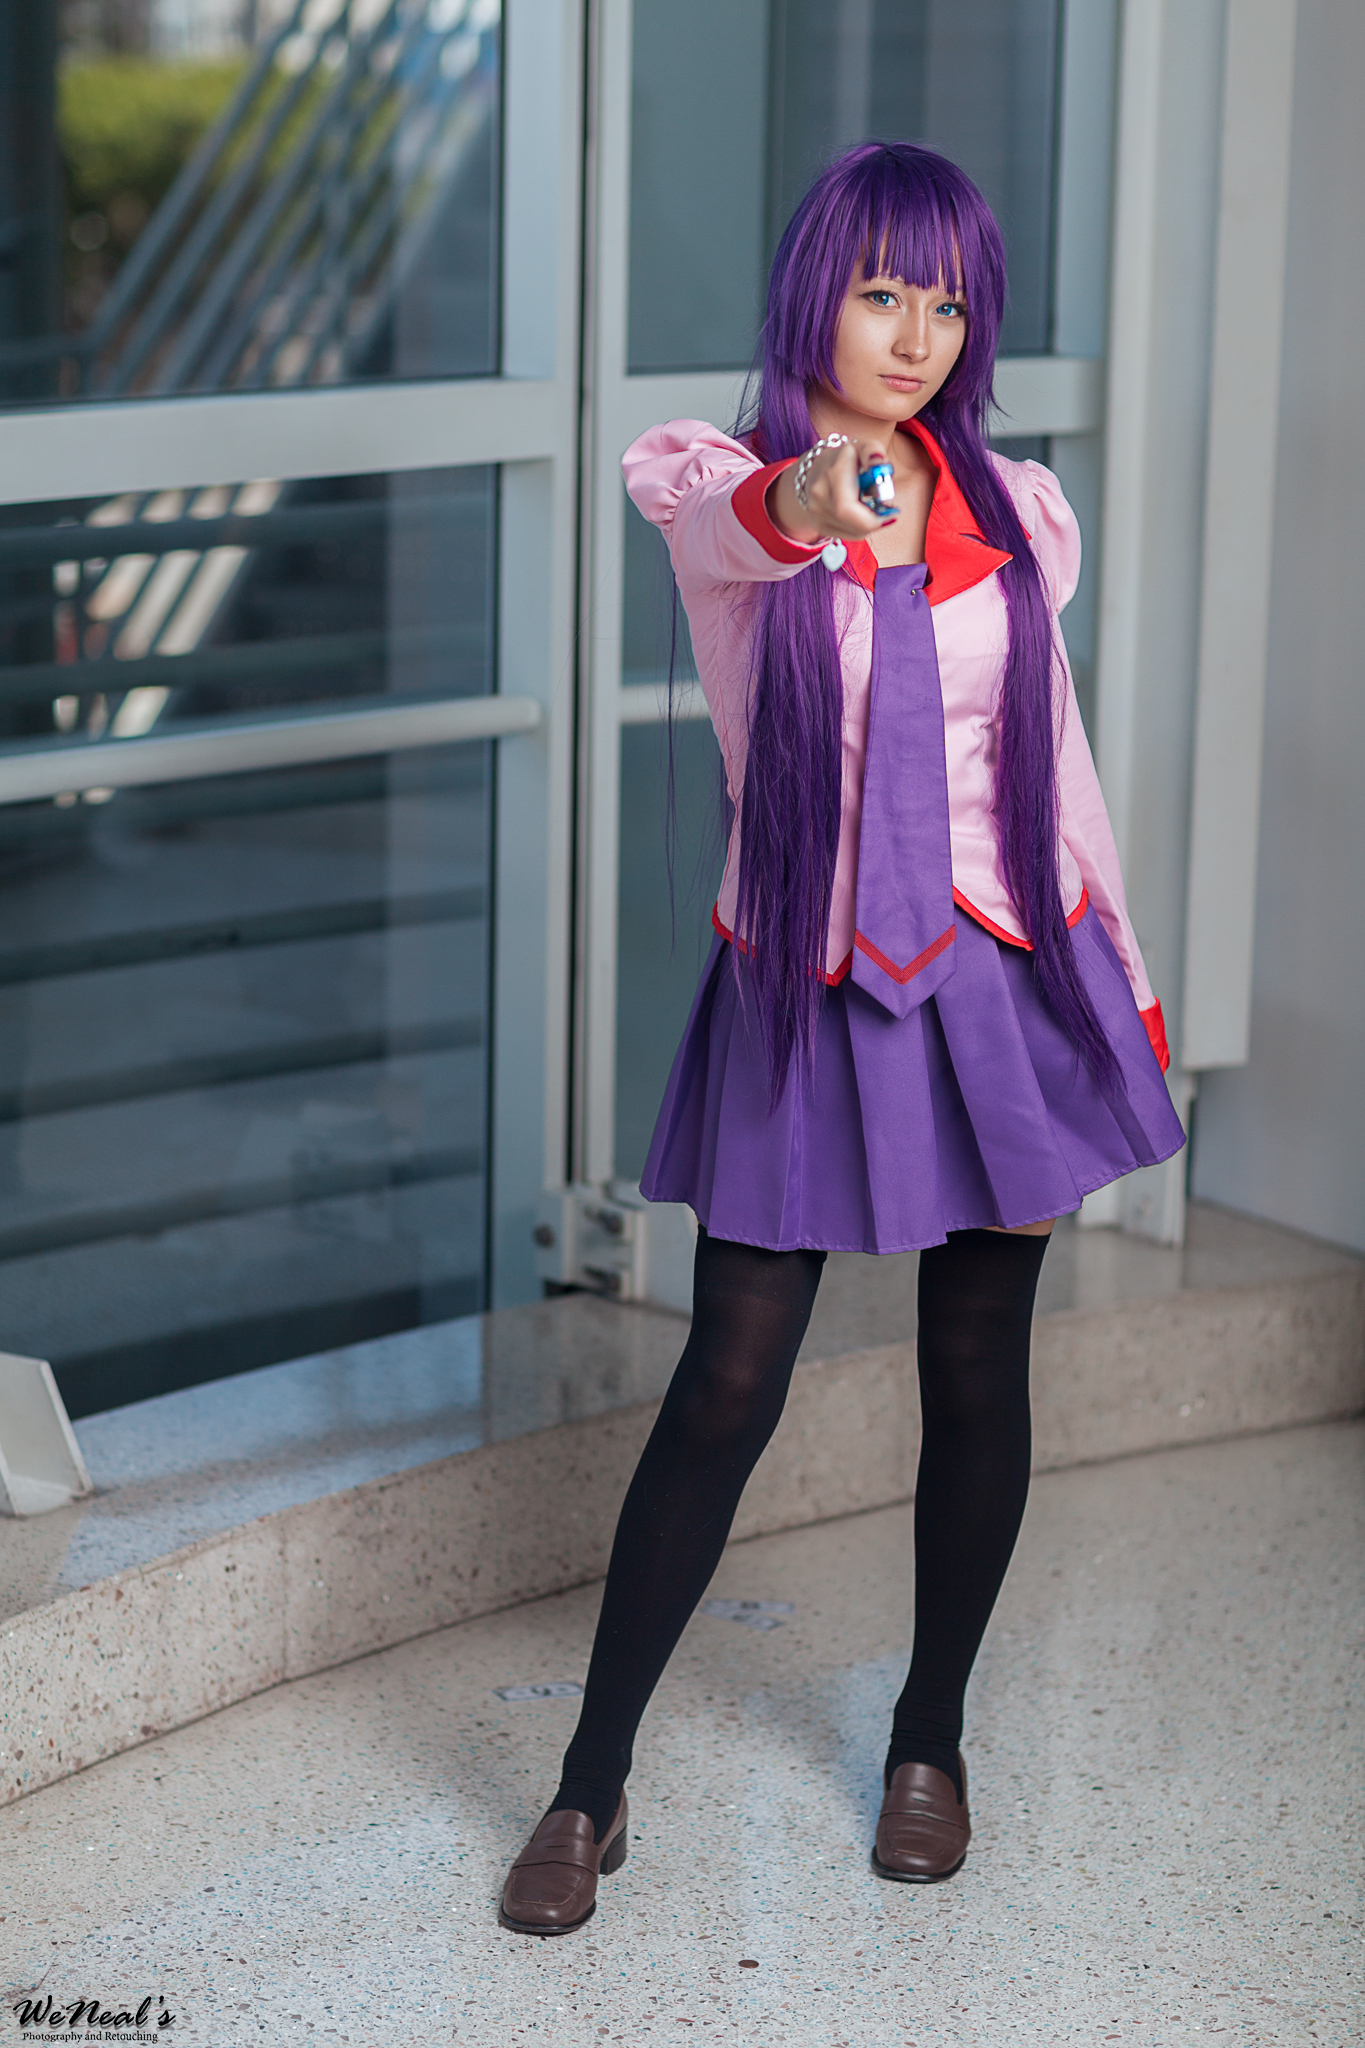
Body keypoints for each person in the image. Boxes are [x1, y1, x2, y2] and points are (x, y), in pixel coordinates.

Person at [499, 141, 1184, 1936]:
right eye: (883, 292)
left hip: (1007, 970)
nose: (916, 334)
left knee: (977, 1365)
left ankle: (926, 1744)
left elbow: (1054, 775)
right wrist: (818, 490)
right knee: (728, 1375)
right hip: (802, 975)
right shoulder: (717, 488)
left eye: (947, 303)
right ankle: (589, 1783)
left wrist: (1122, 986)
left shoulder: (1017, 512)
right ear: (816, 290)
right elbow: (751, 523)